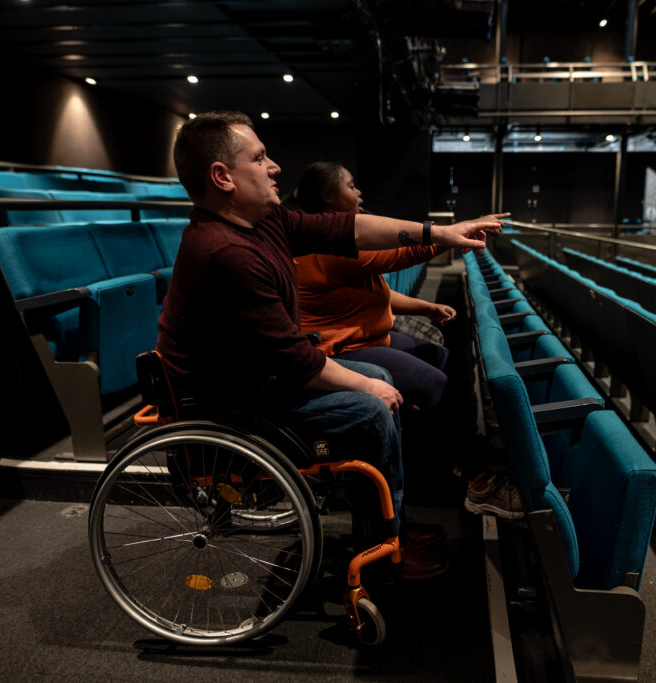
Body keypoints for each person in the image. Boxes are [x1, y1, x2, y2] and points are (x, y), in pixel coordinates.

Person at [155, 111, 501, 579]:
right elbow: (296, 359)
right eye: (259, 158)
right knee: (372, 404)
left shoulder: (261, 223)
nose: (275, 167)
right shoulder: (225, 252)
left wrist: (437, 232)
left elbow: (345, 229)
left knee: (378, 381)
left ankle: (387, 524)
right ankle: (381, 541)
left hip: (257, 376)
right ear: (223, 177)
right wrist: (368, 388)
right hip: (230, 401)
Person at [290, 162, 466, 424]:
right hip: (338, 348)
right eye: (350, 186)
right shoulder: (328, 247)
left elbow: (374, 294)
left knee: (440, 356)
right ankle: (435, 457)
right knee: (434, 383)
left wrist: (425, 307)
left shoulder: (334, 241)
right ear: (328, 199)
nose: (359, 192)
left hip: (365, 336)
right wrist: (456, 234)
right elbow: (408, 252)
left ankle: (421, 425)